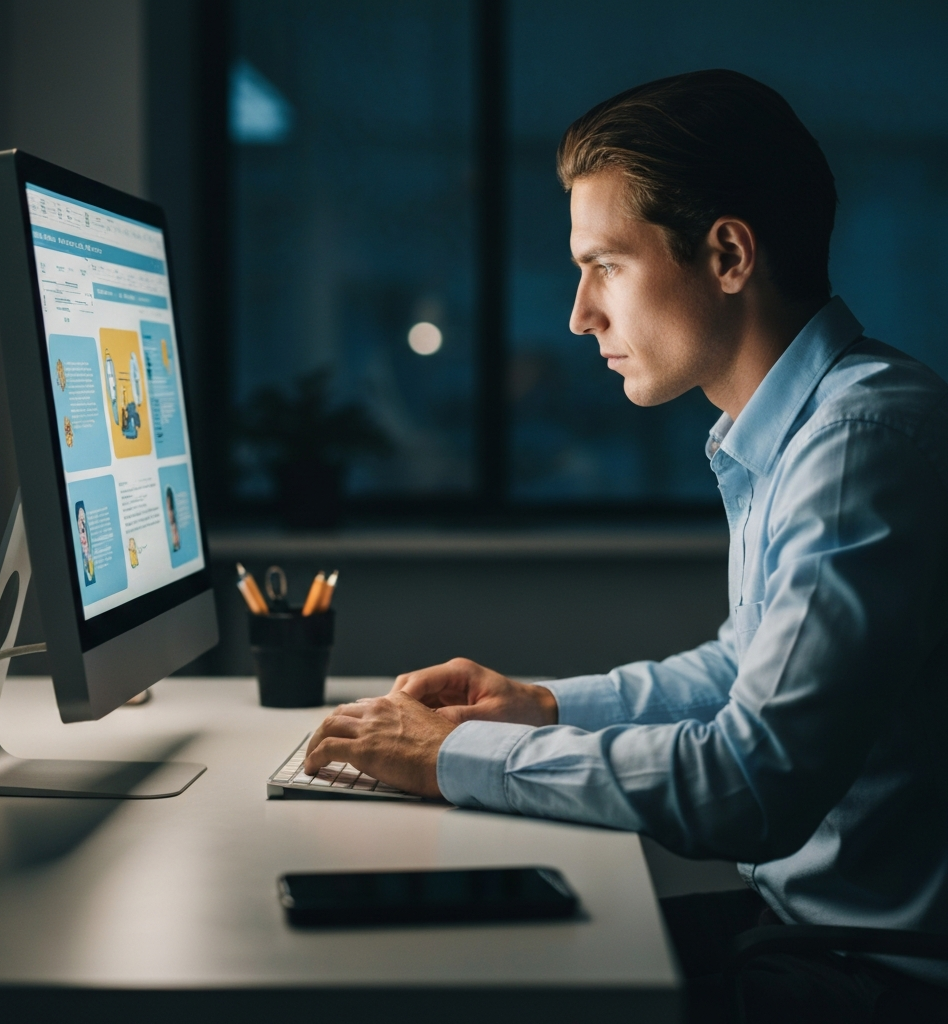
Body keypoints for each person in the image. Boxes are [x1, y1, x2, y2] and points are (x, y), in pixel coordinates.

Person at [305, 70, 948, 1022]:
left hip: (863, 973)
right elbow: (746, 669)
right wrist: (538, 706)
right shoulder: (807, 430)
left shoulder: (862, 444)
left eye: (606, 264)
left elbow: (751, 782)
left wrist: (457, 757)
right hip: (807, 933)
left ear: (728, 253)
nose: (578, 315)